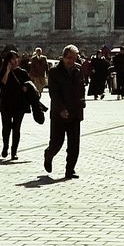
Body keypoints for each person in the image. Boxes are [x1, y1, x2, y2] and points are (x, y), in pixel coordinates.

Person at [44, 44, 85, 180]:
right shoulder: (55, 71)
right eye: (69, 58)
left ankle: (70, 170)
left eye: (74, 58)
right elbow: (53, 93)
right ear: (63, 57)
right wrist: (61, 109)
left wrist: (82, 102)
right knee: (57, 142)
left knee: (74, 145)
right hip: (59, 114)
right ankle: (49, 155)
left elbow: (81, 89)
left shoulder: (78, 70)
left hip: (75, 113)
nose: (71, 61)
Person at [0, 49, 32, 160]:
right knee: (6, 128)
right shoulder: (3, 71)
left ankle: (14, 151)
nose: (15, 61)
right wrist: (7, 71)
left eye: (16, 58)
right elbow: (1, 84)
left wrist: (25, 88)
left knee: (16, 128)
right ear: (8, 60)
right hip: (6, 104)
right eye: (12, 58)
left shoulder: (23, 73)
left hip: (19, 104)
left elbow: (29, 86)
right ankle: (5, 147)